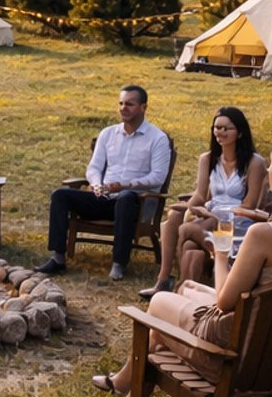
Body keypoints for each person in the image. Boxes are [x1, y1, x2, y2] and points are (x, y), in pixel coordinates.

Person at [97, 131, 272, 397]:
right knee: (187, 288)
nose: (268, 172)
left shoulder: (266, 235)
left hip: (240, 358)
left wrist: (219, 255)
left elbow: (223, 301)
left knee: (158, 306)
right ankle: (127, 395)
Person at [38, 85, 174, 280]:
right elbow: (93, 168)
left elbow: (157, 177)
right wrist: (95, 184)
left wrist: (126, 185)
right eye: (121, 103)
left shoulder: (157, 139)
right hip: (104, 198)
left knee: (126, 198)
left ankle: (119, 263)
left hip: (136, 203)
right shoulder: (108, 134)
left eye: (129, 104)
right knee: (60, 195)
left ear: (143, 107)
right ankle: (58, 258)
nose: (123, 108)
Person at [147, 106, 268, 299]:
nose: (220, 132)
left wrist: (215, 214)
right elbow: (201, 195)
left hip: (237, 218)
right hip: (210, 214)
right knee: (174, 220)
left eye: (226, 128)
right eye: (216, 128)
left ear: (240, 132)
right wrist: (192, 207)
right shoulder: (207, 159)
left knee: (186, 233)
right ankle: (164, 280)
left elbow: (250, 204)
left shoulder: (254, 162)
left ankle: (181, 284)